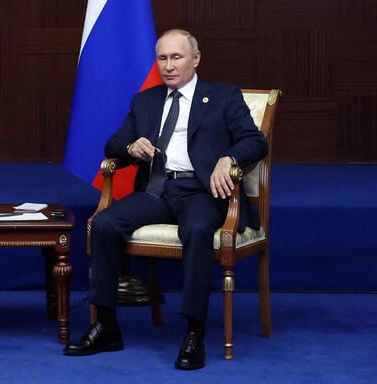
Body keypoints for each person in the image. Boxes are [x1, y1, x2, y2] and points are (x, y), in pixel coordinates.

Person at [64, 29, 268, 370]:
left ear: (196, 58)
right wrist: (130, 147)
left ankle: (194, 332)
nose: (169, 66)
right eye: (162, 58)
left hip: (202, 191)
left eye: (177, 57)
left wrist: (229, 158)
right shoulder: (145, 100)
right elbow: (113, 145)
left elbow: (255, 142)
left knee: (197, 230)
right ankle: (106, 326)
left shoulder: (223, 96)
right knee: (103, 223)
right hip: (157, 190)